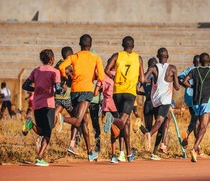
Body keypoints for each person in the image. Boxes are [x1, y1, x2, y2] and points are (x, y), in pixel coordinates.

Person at [57, 34, 105, 162]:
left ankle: (88, 152)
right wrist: (97, 87)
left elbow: (62, 67)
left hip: (74, 91)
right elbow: (101, 76)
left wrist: (66, 77)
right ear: (91, 44)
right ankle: (61, 118)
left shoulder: (74, 56)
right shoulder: (96, 58)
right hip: (86, 91)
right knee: (78, 121)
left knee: (84, 121)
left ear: (80, 44)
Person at [104, 36, 149, 163]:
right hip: (130, 92)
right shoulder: (138, 58)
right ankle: (112, 120)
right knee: (122, 120)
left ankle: (126, 154)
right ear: (133, 46)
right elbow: (142, 79)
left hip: (117, 91)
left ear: (122, 45)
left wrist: (114, 78)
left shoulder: (116, 55)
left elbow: (106, 70)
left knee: (125, 123)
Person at [21, 49, 63, 166]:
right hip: (48, 104)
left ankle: (30, 124)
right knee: (48, 132)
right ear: (52, 59)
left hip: (37, 103)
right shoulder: (55, 72)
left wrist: (37, 90)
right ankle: (40, 158)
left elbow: (25, 85)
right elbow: (58, 89)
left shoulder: (36, 71)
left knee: (41, 131)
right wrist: (62, 89)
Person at [183, 53, 210, 162]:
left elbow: (184, 81)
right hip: (206, 102)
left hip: (195, 102)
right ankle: (195, 148)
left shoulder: (194, 71)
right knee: (203, 127)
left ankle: (189, 136)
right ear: (209, 61)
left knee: (197, 123)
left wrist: (193, 86)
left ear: (200, 61)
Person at [144, 47, 180, 160]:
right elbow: (177, 87)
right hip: (165, 101)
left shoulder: (154, 68)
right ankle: (149, 135)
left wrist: (152, 81)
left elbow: (143, 79)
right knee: (160, 122)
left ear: (158, 57)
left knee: (162, 122)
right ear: (167, 57)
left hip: (153, 101)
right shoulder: (173, 68)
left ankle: (157, 147)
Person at [178, 55, 200, 148]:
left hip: (189, 97)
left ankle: (196, 144)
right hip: (199, 98)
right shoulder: (203, 71)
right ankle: (194, 142)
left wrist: (187, 86)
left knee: (195, 119)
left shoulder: (189, 70)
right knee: (197, 120)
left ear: (193, 61)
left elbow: (180, 79)